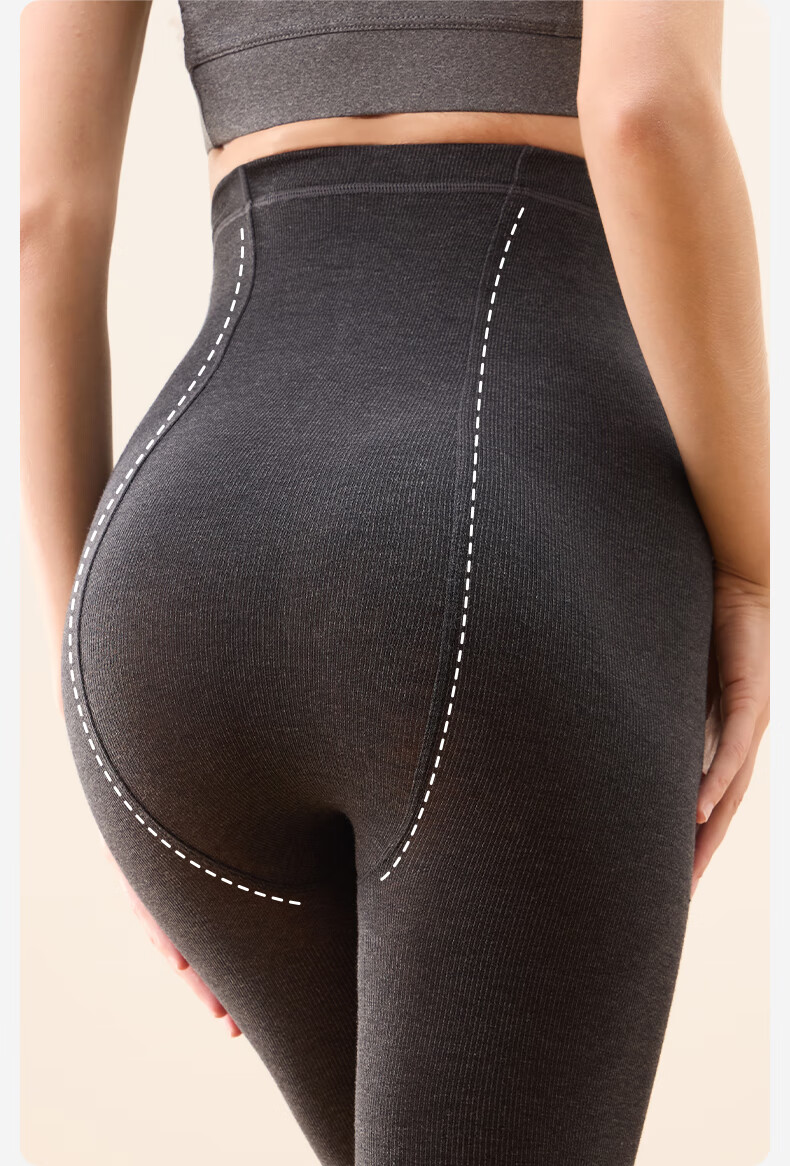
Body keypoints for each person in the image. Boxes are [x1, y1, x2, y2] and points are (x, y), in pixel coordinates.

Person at [20, 2, 769, 1164]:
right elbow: (644, 110)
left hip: (168, 571)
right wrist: (748, 572)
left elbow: (42, 218)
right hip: (502, 518)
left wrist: (97, 701)